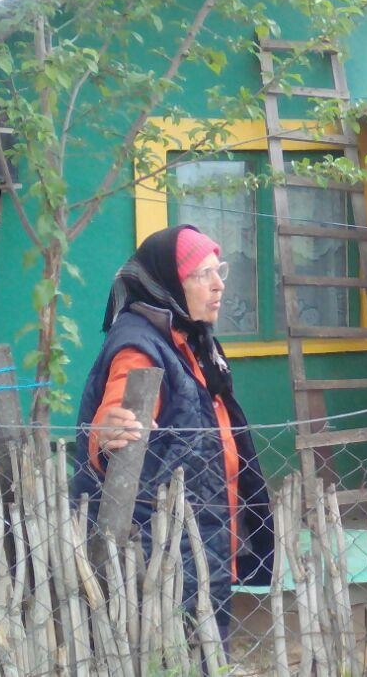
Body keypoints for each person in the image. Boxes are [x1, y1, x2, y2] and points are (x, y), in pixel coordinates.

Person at [72, 224, 273, 637]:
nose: (218, 284)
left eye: (219, 270)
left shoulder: (190, 338)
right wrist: (105, 433)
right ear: (167, 283)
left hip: (202, 536)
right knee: (183, 652)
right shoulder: (140, 347)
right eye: (202, 274)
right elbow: (115, 417)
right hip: (165, 553)